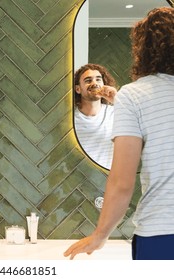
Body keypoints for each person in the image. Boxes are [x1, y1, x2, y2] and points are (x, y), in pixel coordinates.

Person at [64, 7, 174, 260]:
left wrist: (100, 236)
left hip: (162, 231)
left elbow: (122, 183)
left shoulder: (134, 96)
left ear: (142, 49)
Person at [74, 63, 118, 169]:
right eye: (88, 80)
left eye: (98, 79)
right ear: (78, 89)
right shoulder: (70, 119)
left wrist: (117, 100)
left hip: (107, 178)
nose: (94, 83)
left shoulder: (115, 113)